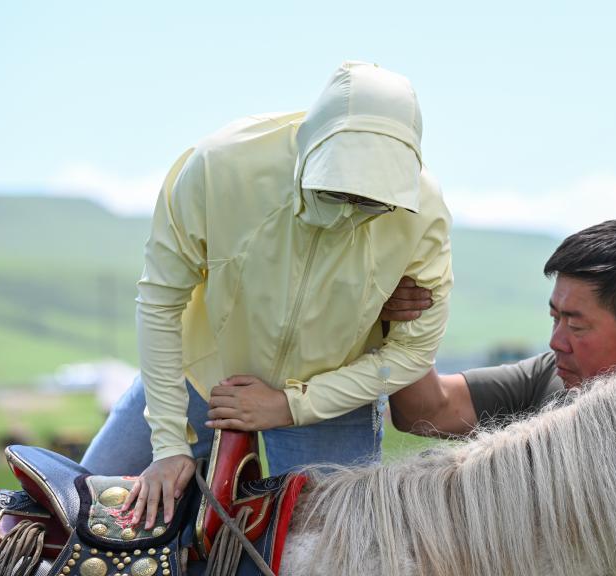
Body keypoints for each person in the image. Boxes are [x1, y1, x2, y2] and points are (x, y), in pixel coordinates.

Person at [80, 61, 453, 530]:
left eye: (371, 201)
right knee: (81, 509)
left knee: (339, 549)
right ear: (309, 142)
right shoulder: (219, 165)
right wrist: (170, 445)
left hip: (330, 398)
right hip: (198, 374)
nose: (351, 208)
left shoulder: (426, 212)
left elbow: (413, 352)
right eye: (338, 190)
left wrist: (290, 404)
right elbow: (160, 302)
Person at [388, 217, 616, 436]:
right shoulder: (549, 378)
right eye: (555, 318)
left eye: (576, 325)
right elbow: (425, 411)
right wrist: (401, 314)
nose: (556, 342)